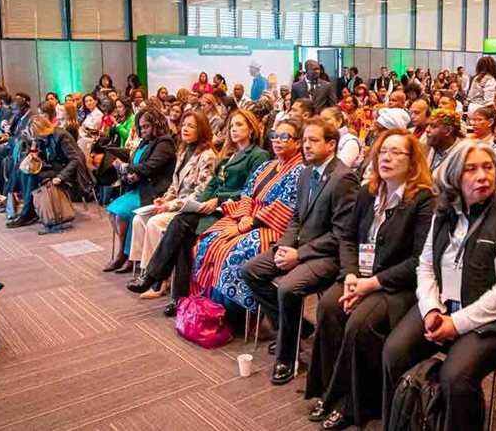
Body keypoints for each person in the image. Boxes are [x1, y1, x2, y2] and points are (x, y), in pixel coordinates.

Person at [382, 140, 496, 430]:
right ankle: (405, 423)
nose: (483, 175)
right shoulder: (444, 211)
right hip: (445, 303)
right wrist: (430, 309)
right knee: (395, 351)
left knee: (456, 376)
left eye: (488, 167)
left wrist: (455, 323)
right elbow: (426, 265)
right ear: (455, 176)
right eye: (471, 169)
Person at [306, 130, 434, 428]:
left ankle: (350, 403)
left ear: (413, 160)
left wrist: (370, 284)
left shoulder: (424, 200)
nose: (386, 158)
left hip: (395, 285)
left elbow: (418, 261)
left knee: (360, 323)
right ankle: (329, 388)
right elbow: (348, 238)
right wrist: (351, 275)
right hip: (360, 275)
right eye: (382, 151)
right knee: (328, 307)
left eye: (396, 152)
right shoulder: (368, 191)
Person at [243, 118, 359, 386]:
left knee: (288, 288)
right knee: (250, 271)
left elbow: (340, 235)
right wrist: (285, 245)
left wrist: (299, 254)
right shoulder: (307, 172)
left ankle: (286, 357)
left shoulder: (343, 179)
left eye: (313, 140)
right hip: (299, 247)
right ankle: (295, 327)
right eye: (304, 140)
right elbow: (296, 218)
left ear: (331, 145)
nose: (306, 145)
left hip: (326, 256)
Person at [129, 110, 268, 316]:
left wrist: (217, 200)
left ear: (251, 128)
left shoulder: (258, 155)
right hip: (212, 208)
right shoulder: (228, 155)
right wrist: (199, 204)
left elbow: (252, 189)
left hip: (233, 211)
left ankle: (153, 276)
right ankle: (178, 298)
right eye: (231, 126)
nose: (234, 130)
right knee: (183, 237)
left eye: (239, 125)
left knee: (179, 224)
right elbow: (210, 186)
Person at [181, 120, 306, 312]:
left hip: (272, 226)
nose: (277, 141)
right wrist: (244, 217)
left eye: (284, 137)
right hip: (247, 217)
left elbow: (286, 206)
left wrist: (249, 224)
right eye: (274, 136)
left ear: (297, 143)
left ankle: (233, 314)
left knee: (233, 252)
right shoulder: (267, 165)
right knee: (210, 241)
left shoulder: (300, 171)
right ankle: (207, 306)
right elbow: (247, 193)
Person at [126, 111, 217, 276]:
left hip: (190, 209)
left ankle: (157, 278)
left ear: (201, 130)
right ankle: (143, 269)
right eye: (184, 125)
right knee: (139, 219)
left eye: (191, 126)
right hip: (176, 204)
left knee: (154, 223)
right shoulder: (183, 151)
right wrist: (164, 199)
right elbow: (175, 185)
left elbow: (200, 193)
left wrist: (171, 205)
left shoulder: (207, 156)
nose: (185, 129)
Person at [103, 107, 177, 273]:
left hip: (154, 191)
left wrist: (126, 167)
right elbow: (140, 168)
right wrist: (130, 175)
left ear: (156, 125)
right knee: (112, 212)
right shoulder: (145, 142)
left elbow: (150, 167)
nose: (143, 130)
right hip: (139, 187)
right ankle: (124, 251)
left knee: (121, 214)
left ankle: (126, 255)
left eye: (146, 127)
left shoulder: (165, 142)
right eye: (141, 127)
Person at [7, 115, 91, 228]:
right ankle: (25, 206)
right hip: (55, 166)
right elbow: (44, 154)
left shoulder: (61, 136)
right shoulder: (43, 137)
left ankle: (28, 212)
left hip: (68, 169)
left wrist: (61, 177)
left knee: (33, 176)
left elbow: (75, 160)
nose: (35, 138)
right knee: (22, 170)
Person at [321, 107, 363, 171]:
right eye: (321, 121)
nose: (323, 123)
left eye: (327, 119)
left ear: (339, 121)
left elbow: (339, 169)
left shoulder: (350, 141)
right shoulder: (323, 139)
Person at [425, 108, 463, 176]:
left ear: (448, 130)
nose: (427, 130)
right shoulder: (428, 147)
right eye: (428, 125)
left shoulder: (462, 156)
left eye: (433, 126)